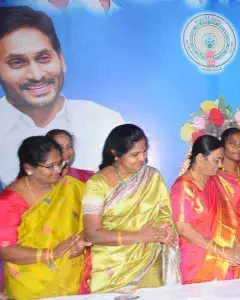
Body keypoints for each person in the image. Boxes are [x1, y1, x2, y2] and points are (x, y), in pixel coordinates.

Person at [0, 6, 124, 185]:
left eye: (43, 58)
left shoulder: (105, 121)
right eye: (17, 62)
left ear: (61, 60)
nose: (36, 75)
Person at [82, 124, 180, 293]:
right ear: (115, 154)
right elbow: (93, 234)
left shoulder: (152, 176)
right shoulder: (96, 185)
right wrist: (138, 236)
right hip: (113, 269)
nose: (143, 158)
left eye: (145, 151)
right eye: (135, 154)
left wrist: (163, 231)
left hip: (148, 262)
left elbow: (164, 212)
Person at [0, 136, 89, 299]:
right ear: (29, 168)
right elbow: (5, 249)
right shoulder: (9, 201)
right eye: (50, 166)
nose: (58, 170)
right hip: (29, 284)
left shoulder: (72, 187)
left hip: (71, 279)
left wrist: (82, 239)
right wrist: (50, 254)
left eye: (59, 163)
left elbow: (92, 219)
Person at [171, 135, 240, 284]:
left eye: (220, 160)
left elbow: (226, 220)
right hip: (196, 260)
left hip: (222, 257)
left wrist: (236, 246)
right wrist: (221, 251)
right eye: (216, 160)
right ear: (200, 159)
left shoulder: (214, 181)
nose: (219, 165)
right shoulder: (183, 187)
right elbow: (183, 229)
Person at [210, 128, 240, 278]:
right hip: (220, 237)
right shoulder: (213, 174)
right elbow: (211, 209)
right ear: (222, 145)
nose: (238, 148)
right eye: (232, 143)